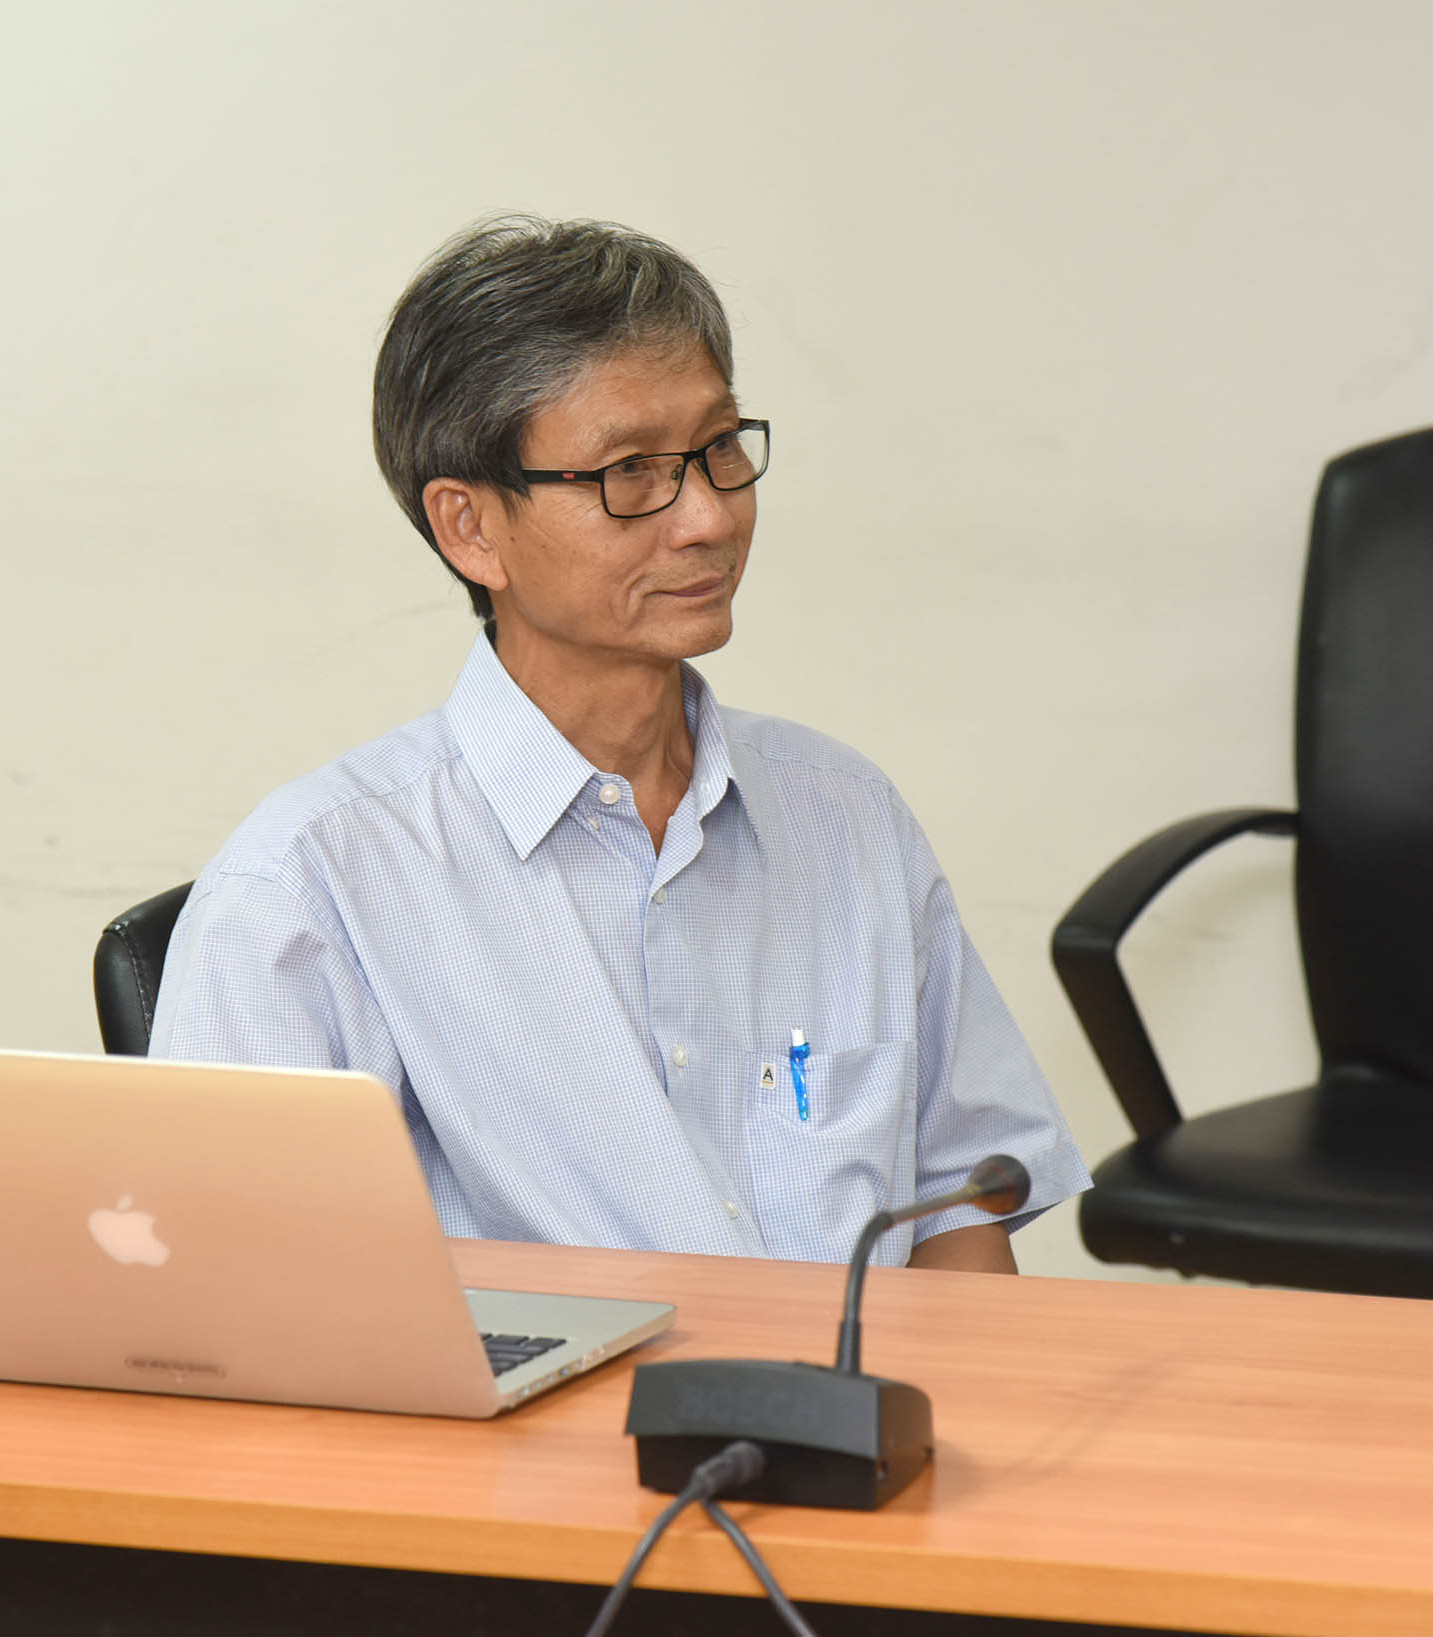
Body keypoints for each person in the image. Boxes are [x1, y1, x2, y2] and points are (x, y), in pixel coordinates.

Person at [151, 215, 1086, 1271]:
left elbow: (962, 1205)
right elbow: (243, 1297)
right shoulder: (312, 886)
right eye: (630, 471)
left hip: (851, 1379)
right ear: (469, 527)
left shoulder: (844, 815)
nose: (707, 518)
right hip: (542, 1387)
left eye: (719, 449)